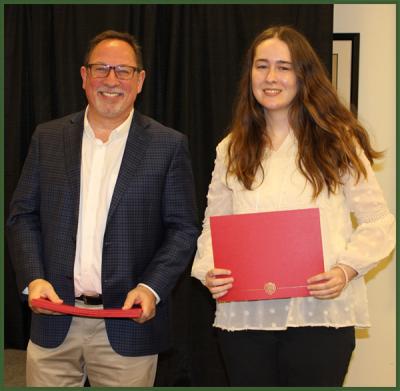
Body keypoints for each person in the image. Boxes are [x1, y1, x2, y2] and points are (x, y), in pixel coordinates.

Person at [191, 25, 395, 387]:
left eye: (284, 67)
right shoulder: (231, 148)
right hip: (244, 320)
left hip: (320, 315)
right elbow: (214, 224)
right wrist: (208, 270)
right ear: (249, 74)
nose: (271, 77)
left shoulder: (338, 142)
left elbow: (379, 221)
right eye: (262, 66)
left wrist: (345, 270)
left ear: (304, 76)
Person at [7, 30, 199, 387]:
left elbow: (183, 228)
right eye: (101, 69)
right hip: (53, 321)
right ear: (84, 76)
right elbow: (22, 216)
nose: (112, 80)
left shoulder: (168, 146)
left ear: (140, 81)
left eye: (123, 71)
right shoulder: (46, 138)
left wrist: (152, 287)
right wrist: (33, 277)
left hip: (128, 328)